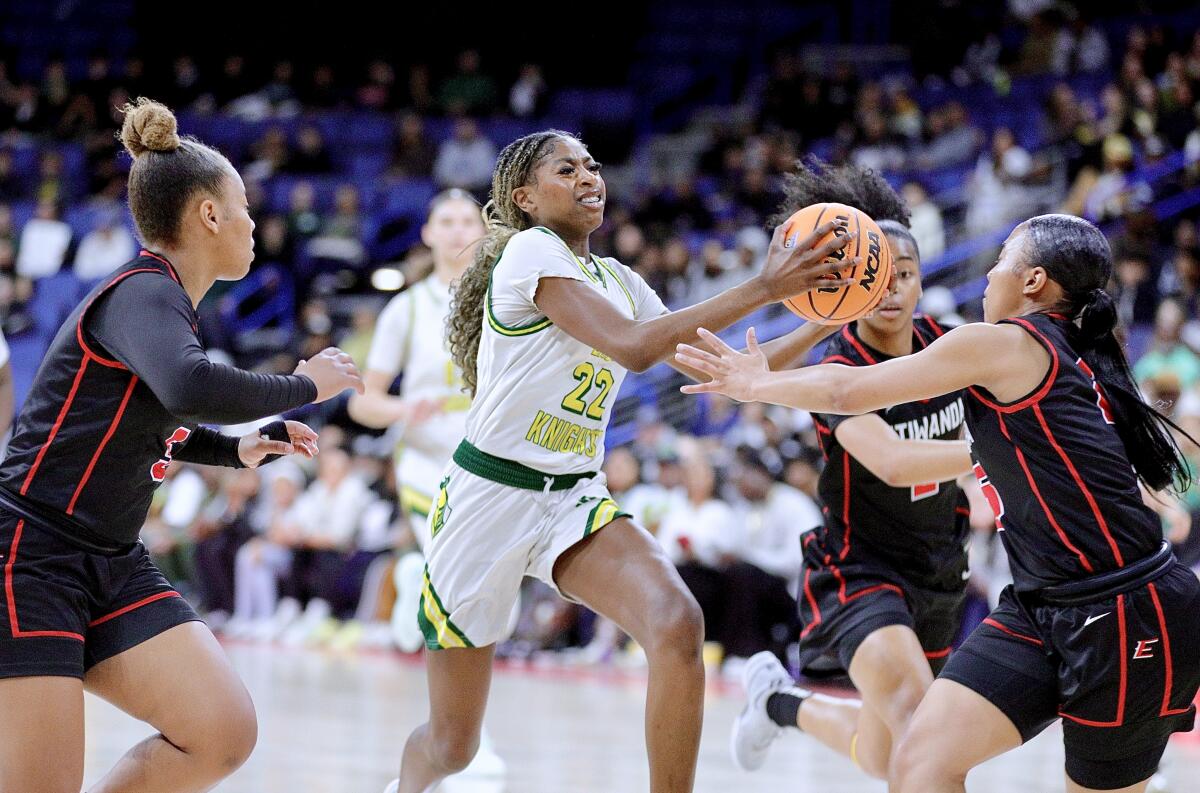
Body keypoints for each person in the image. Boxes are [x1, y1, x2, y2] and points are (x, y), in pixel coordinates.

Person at [388, 128, 859, 793]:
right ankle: (406, 785)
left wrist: (829, 317)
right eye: (566, 168)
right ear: (523, 197)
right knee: (453, 744)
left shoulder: (621, 279)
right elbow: (634, 347)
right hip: (486, 498)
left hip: (570, 497)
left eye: (593, 165)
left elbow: (727, 372)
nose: (588, 176)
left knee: (676, 620)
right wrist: (764, 285)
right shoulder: (529, 252)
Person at [677, 213, 1200, 793]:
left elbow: (848, 389)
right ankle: (780, 706)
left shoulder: (1004, 342)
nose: (986, 276)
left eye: (1001, 259)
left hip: (1122, 610)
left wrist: (753, 384)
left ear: (1032, 282)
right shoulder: (1073, 349)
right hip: (1029, 600)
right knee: (917, 761)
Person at [0, 98, 362, 793]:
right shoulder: (143, 292)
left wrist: (236, 450)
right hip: (31, 555)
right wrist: (302, 384)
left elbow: (149, 415)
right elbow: (189, 384)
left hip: (110, 559)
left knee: (222, 728)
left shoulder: (164, 306)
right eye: (245, 207)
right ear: (208, 215)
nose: (254, 223)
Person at [728, 159, 976, 781]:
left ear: (923, 284)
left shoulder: (952, 345)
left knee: (886, 751)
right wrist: (993, 458)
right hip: (859, 567)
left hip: (939, 568)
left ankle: (778, 703)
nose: (892, 291)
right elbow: (891, 461)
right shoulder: (837, 364)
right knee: (925, 725)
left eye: (907, 276)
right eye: (879, 277)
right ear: (858, 284)